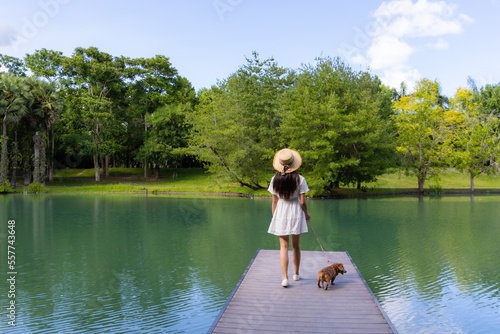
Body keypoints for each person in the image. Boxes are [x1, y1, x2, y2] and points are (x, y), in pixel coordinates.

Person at [267, 148, 311, 287]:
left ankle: (285, 278)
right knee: (296, 246)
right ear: (294, 164)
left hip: (281, 211)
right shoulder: (300, 179)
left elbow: (274, 201)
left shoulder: (275, 179)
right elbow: (303, 202)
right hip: (295, 212)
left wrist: (275, 217)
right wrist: (306, 214)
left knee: (283, 246)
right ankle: (296, 275)